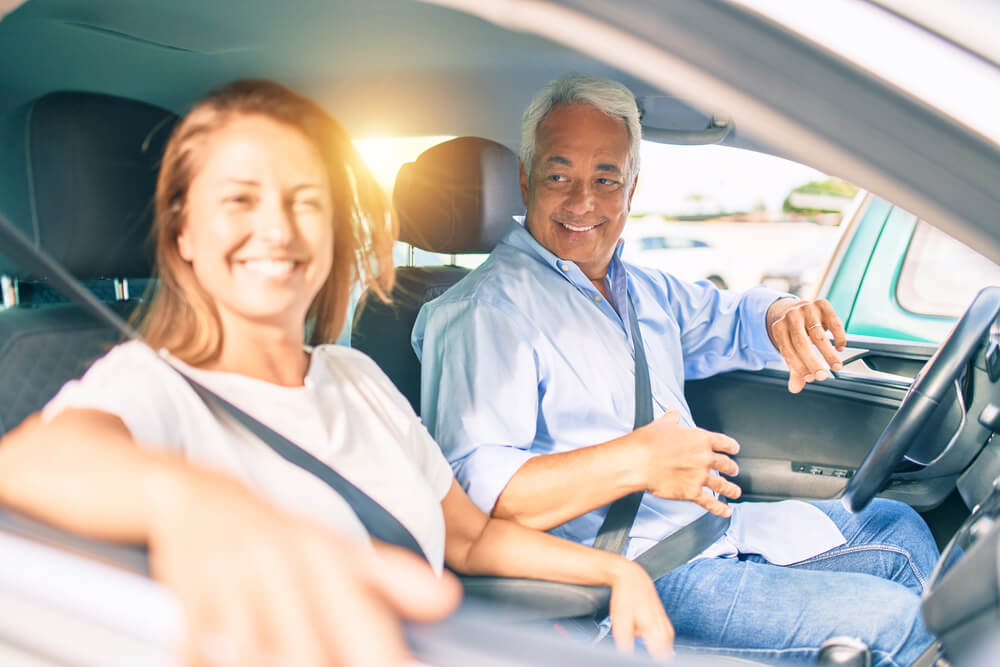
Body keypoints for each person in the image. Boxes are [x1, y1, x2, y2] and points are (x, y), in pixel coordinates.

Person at [0, 79, 673, 667]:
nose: (279, 229)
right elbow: (30, 459)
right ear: (182, 230)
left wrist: (615, 570)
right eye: (240, 199)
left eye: (306, 201)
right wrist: (196, 502)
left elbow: (469, 536)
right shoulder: (152, 383)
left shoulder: (353, 375)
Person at [413, 73, 940, 665]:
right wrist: (637, 461)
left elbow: (730, 318)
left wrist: (781, 314)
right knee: (897, 625)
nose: (583, 201)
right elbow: (475, 496)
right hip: (628, 575)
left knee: (897, 527)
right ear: (525, 179)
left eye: (605, 178)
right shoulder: (483, 312)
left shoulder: (635, 286)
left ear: (631, 189)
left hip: (709, 533)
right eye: (559, 175)